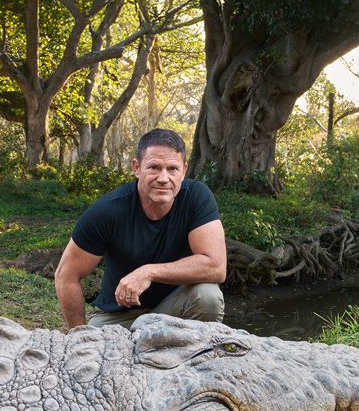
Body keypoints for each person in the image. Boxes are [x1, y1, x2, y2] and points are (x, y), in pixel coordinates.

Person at [54, 128, 228, 329]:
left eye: (172, 169)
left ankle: (190, 358)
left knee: (208, 296)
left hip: (172, 311)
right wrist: (79, 336)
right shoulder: (107, 211)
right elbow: (66, 275)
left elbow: (216, 266)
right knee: (95, 347)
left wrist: (149, 272)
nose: (163, 178)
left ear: (184, 170)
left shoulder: (197, 198)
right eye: (154, 167)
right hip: (117, 317)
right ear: (136, 168)